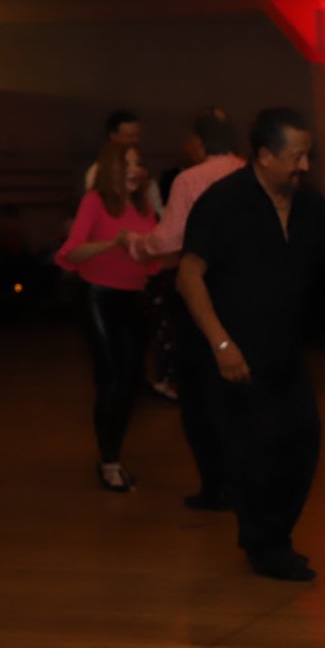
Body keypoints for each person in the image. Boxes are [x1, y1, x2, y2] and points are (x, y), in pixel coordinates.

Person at [178, 107, 325, 583]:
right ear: (265, 155)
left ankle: (271, 538)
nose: (305, 166)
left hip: (285, 352)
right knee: (253, 454)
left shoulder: (307, 204)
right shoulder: (223, 202)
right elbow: (188, 276)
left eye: (308, 156)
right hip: (232, 355)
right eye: (297, 157)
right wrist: (222, 344)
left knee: (303, 441)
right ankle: (266, 546)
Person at [134, 108, 246, 511]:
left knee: (202, 397)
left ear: (198, 142)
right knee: (242, 396)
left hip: (202, 291)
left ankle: (216, 486)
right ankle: (245, 478)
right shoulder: (248, 172)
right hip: (247, 294)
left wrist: (135, 244)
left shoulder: (189, 179)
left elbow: (169, 239)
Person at [55, 141, 158, 492]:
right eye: (127, 164)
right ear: (112, 168)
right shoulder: (95, 201)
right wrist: (114, 243)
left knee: (129, 381)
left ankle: (113, 458)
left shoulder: (144, 207)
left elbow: (153, 260)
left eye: (138, 164)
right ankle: (109, 460)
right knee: (111, 379)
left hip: (135, 297)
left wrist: (152, 248)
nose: (135, 170)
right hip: (99, 297)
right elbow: (71, 252)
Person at [85, 109, 164, 214]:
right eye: (129, 136)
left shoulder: (143, 170)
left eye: (137, 136)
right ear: (113, 136)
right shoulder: (98, 171)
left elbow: (156, 208)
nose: (135, 140)